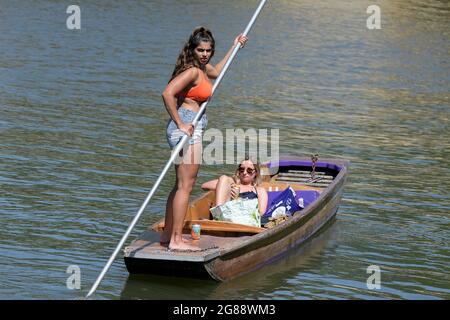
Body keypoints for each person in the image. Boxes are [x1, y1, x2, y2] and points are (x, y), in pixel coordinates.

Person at [160, 26, 248, 251]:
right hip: (187, 127)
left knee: (180, 185)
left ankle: (169, 233)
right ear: (192, 49)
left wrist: (235, 46)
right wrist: (181, 123)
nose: (205, 54)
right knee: (185, 187)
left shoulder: (202, 68)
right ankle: (176, 240)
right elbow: (167, 93)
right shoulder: (191, 71)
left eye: (209, 50)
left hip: (192, 126)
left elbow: (217, 72)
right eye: (200, 50)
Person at [201, 158, 268, 216]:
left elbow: (261, 212)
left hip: (243, 218)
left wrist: (238, 200)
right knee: (224, 177)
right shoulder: (231, 183)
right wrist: (229, 183)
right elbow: (204, 186)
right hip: (226, 213)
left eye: (249, 170)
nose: (244, 173)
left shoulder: (259, 190)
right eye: (242, 169)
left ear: (256, 172)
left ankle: (219, 216)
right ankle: (219, 215)